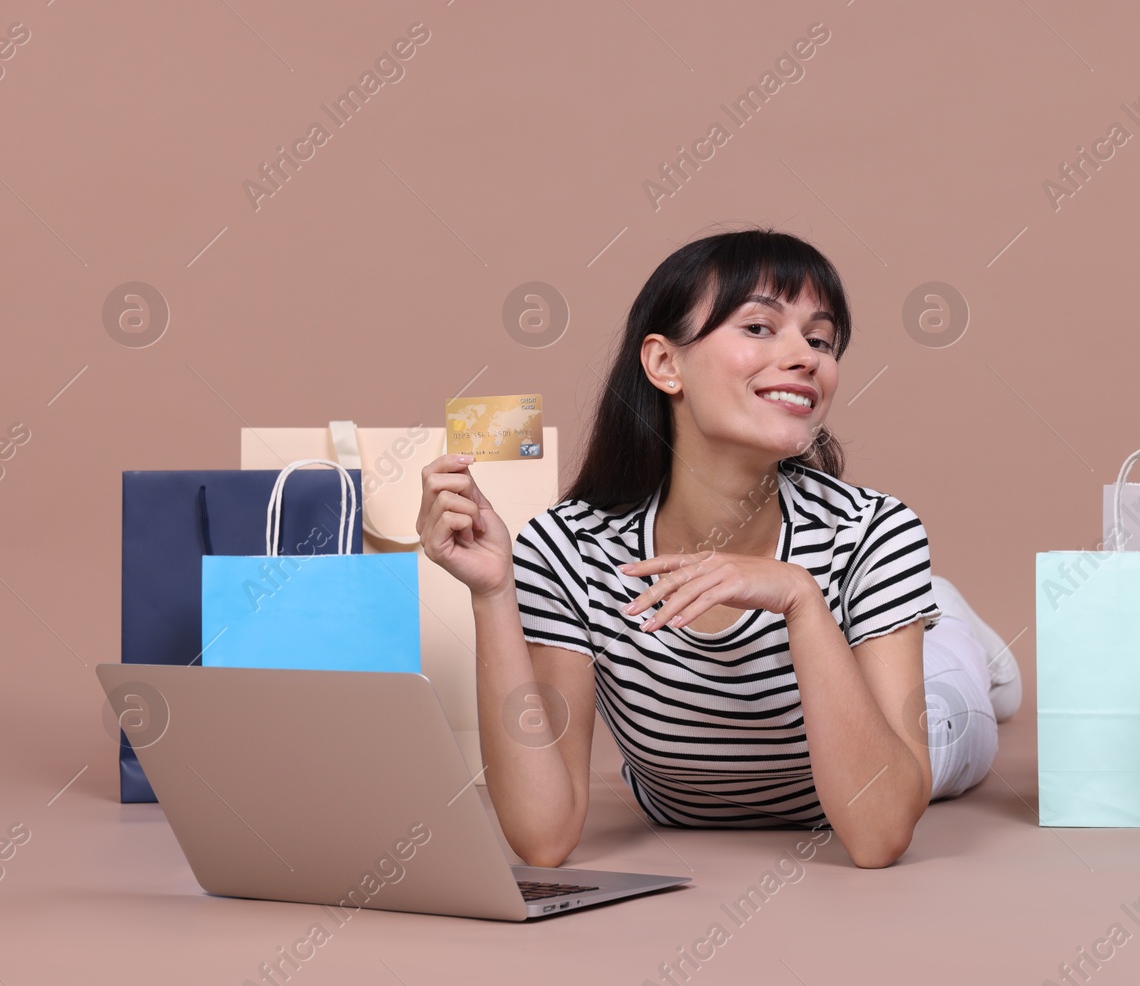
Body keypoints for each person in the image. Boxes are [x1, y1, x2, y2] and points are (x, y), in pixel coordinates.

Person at [417, 229, 1021, 869]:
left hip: (922, 733)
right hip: (690, 789)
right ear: (664, 364)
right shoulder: (567, 547)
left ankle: (949, 628)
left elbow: (878, 835)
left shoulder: (875, 532)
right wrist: (491, 593)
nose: (805, 357)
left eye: (820, 340)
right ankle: (929, 607)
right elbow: (544, 837)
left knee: (964, 689)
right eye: (760, 327)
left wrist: (801, 598)